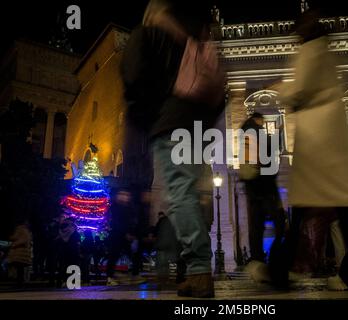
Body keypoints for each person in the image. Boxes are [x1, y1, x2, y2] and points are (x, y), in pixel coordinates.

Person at [120, 0, 224, 298]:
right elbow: (218, 92)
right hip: (198, 126)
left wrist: (145, 116)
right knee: (188, 193)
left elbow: (133, 76)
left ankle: (199, 269)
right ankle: (197, 266)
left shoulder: (148, 33)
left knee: (178, 195)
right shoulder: (197, 38)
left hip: (171, 123)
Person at [280, 8, 348, 291]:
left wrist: (280, 90)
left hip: (319, 144)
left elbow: (299, 91)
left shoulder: (310, 51)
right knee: (345, 210)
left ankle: (282, 268)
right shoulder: (325, 51)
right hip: (332, 144)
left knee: (317, 210)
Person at [239, 112, 288, 288]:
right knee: (279, 221)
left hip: (252, 183)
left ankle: (257, 261)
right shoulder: (255, 130)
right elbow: (270, 148)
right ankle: (277, 263)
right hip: (264, 181)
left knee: (256, 224)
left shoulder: (244, 131)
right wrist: (278, 133)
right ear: (259, 120)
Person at [106, 188, 143, 285]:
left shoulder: (129, 207)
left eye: (126, 195)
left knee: (132, 255)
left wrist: (132, 234)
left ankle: (134, 274)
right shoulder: (115, 207)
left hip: (125, 236)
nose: (125, 197)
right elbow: (117, 222)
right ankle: (110, 277)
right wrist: (126, 233)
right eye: (122, 194)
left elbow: (131, 222)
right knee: (114, 255)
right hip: (118, 236)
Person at [56, 217, 81, 288]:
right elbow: (78, 240)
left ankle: (63, 281)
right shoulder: (73, 230)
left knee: (64, 266)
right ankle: (73, 283)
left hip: (64, 251)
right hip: (73, 251)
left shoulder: (61, 231)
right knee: (74, 266)